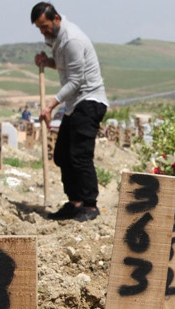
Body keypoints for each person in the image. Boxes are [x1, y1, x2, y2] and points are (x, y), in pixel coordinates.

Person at [31, 2, 107, 221]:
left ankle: (90, 206)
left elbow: (76, 80)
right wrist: (48, 62)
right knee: (63, 154)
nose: (43, 32)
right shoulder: (59, 39)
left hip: (89, 100)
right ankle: (75, 202)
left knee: (80, 155)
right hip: (76, 104)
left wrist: (50, 105)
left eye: (44, 26)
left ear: (55, 19)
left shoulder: (72, 39)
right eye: (39, 28)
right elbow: (66, 66)